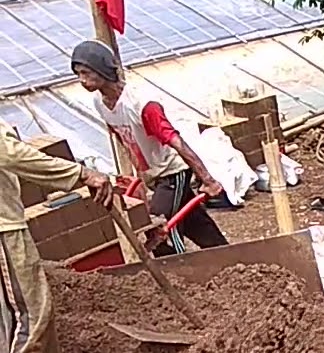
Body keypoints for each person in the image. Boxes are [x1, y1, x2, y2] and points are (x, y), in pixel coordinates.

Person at [0, 123, 114, 353]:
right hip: (3, 231)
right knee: (31, 317)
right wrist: (81, 174)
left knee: (5, 322)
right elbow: (11, 153)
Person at [70, 40, 228, 256]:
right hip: (155, 175)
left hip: (173, 171)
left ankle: (181, 272)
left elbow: (176, 141)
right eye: (78, 73)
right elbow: (126, 141)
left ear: (102, 69)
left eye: (86, 73)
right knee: (195, 223)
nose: (82, 80)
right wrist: (141, 180)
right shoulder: (100, 103)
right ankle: (230, 256)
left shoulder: (142, 104)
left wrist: (208, 180)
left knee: (159, 230)